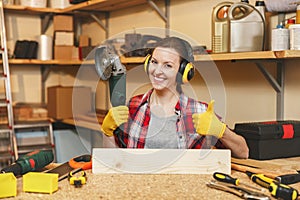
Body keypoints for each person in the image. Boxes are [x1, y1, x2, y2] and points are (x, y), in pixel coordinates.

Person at [101, 36, 249, 159]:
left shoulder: (200, 111)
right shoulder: (132, 106)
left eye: (168, 66)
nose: (157, 71)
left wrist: (221, 131)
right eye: (154, 62)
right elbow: (112, 160)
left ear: (184, 72)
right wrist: (107, 133)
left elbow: (243, 153)